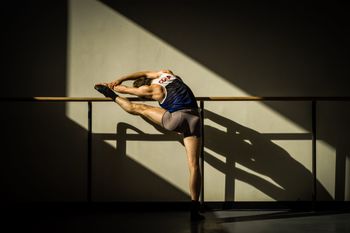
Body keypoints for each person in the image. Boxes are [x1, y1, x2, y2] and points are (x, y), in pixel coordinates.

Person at [94, 70, 204, 221]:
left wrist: (110, 86)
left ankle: (109, 95)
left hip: (176, 119)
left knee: (138, 108)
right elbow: (144, 72)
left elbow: (123, 89)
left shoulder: (152, 89)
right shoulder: (168, 73)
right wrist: (120, 78)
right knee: (194, 165)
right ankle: (194, 208)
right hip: (195, 119)